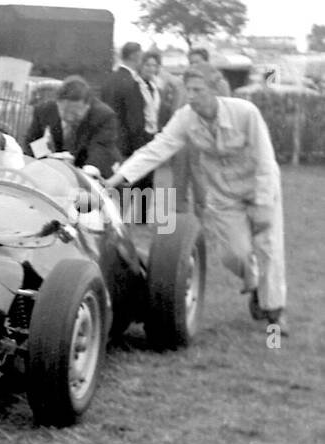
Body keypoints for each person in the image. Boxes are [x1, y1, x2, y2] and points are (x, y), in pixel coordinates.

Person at [105, 68, 288, 332]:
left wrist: (262, 202)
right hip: (223, 196)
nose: (191, 97)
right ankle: (257, 285)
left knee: (269, 249)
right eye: (188, 90)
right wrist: (119, 178)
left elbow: (265, 160)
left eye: (198, 90)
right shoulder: (185, 119)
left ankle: (275, 314)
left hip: (261, 188)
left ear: (214, 90)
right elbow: (157, 148)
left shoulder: (246, 113)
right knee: (232, 255)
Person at [23, 75, 120, 176]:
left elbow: (100, 148)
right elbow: (31, 142)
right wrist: (46, 160)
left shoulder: (103, 116)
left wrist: (87, 171)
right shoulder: (43, 112)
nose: (69, 117)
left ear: (88, 105)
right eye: (64, 112)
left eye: (75, 114)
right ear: (57, 103)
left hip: (92, 173)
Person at [101, 42, 152, 186]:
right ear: (136, 56)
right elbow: (135, 122)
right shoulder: (132, 83)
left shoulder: (109, 80)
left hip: (109, 144)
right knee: (129, 193)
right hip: (127, 148)